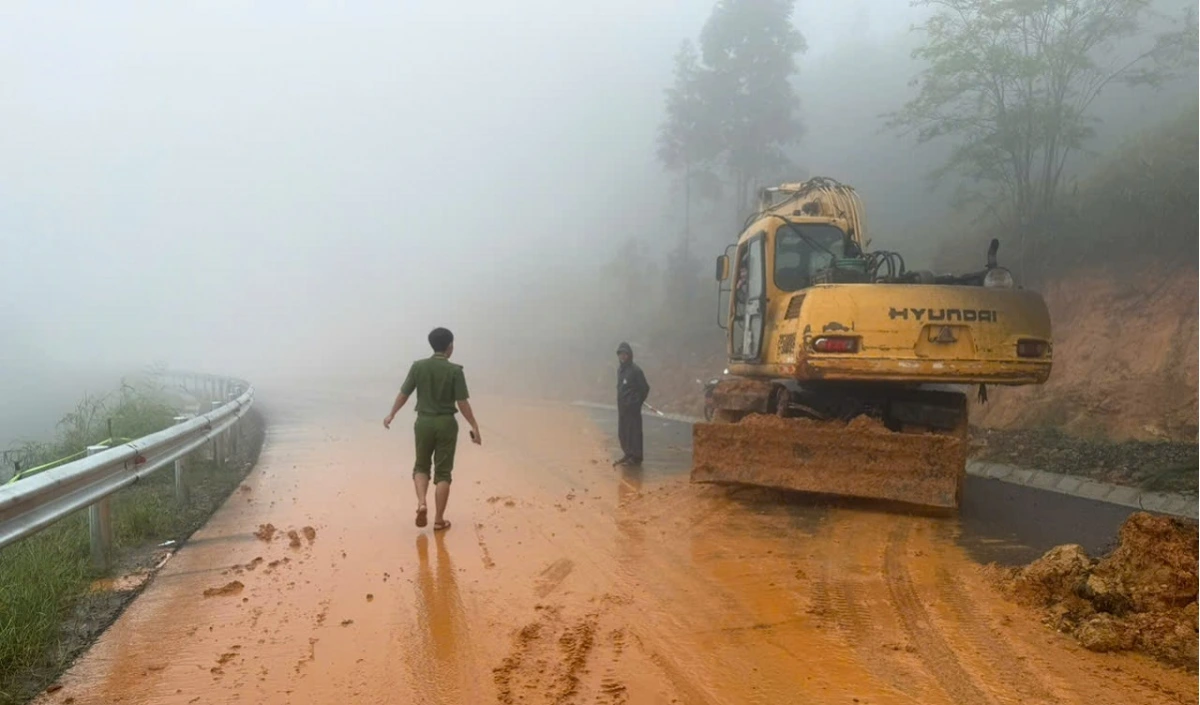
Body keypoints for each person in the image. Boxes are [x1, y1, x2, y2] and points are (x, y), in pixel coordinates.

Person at [383, 327, 481, 531]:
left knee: (421, 466)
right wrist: (474, 425)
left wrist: (392, 414)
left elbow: (404, 394)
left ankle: (421, 503)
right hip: (446, 423)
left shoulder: (418, 367)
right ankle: (438, 520)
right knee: (443, 473)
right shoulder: (455, 371)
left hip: (423, 423)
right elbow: (462, 402)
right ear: (450, 347)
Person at [614, 341, 650, 466]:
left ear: (629, 355)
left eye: (625, 354)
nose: (623, 356)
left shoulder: (636, 370)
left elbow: (645, 388)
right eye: (620, 354)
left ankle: (636, 457)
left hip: (632, 409)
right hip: (622, 408)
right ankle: (628, 453)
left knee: (634, 432)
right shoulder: (620, 370)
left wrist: (636, 402)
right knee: (623, 432)